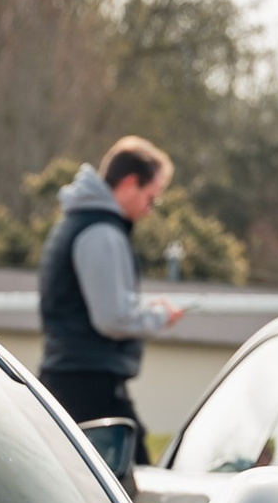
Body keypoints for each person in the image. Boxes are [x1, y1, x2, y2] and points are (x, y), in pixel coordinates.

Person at [36, 141, 185, 478]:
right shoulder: (101, 232)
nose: (150, 209)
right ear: (130, 183)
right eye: (152, 197)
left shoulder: (78, 222)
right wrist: (159, 316)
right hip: (90, 387)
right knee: (135, 485)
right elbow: (111, 317)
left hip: (70, 377)